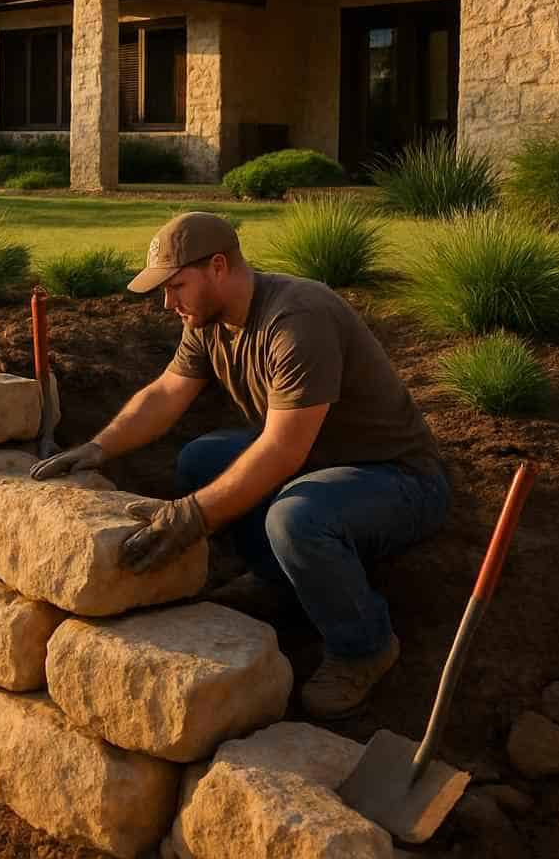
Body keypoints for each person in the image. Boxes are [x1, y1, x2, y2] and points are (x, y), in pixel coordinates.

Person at [31, 211, 448, 719]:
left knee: (296, 519)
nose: (168, 303)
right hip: (319, 464)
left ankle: (363, 646)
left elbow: (282, 451)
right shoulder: (207, 320)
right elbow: (166, 393)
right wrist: (97, 448)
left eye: (176, 286)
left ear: (219, 267)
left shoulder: (296, 320)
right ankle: (278, 581)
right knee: (202, 458)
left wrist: (194, 516)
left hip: (396, 478)